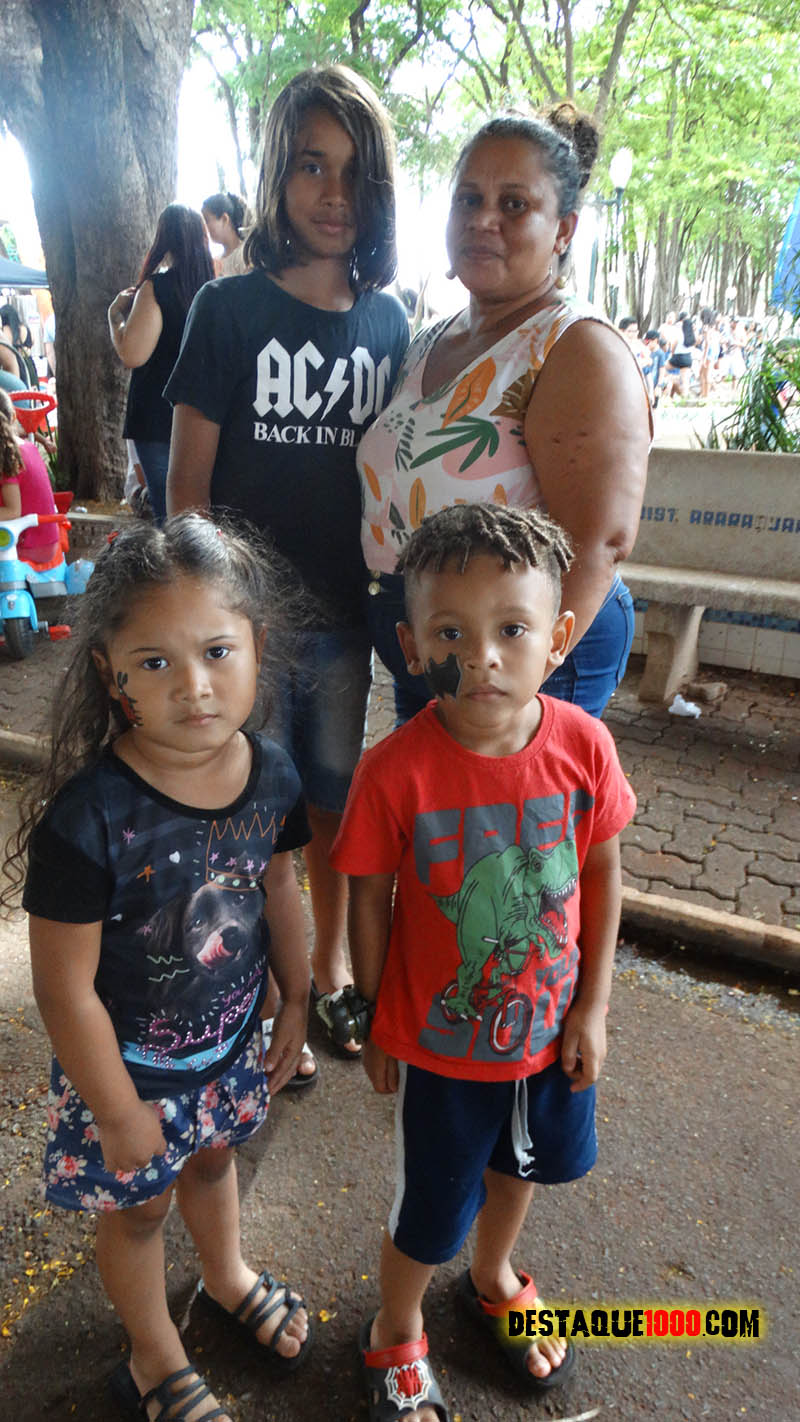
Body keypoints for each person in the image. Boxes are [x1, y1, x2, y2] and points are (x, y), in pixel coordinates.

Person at [1, 515, 313, 1420]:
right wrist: (115, 1110)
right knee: (139, 1212)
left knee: (215, 1166)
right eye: (154, 662)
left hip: (228, 1051)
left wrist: (298, 997)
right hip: (128, 1078)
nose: (195, 686)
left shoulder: (274, 775)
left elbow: (280, 888)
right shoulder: (88, 820)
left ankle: (226, 1274)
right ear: (110, 675)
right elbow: (63, 988)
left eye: (216, 651)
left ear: (257, 644)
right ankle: (151, 1354)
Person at [331, 504, 636, 1421]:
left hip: (548, 1036)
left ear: (559, 639)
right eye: (451, 634)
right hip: (441, 1050)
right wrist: (375, 1017)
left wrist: (593, 1008)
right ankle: (395, 1324)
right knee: (432, 1204)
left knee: (520, 1172)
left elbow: (600, 871)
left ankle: (494, 1275)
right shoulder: (393, 771)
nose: (484, 657)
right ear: (411, 647)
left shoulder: (585, 747)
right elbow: (367, 899)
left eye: (512, 629)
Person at [166, 65, 410, 1060]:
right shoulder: (224, 311)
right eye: (312, 165)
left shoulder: (389, 322)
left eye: (354, 172)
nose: (333, 193)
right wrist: (214, 624)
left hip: (345, 625)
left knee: (333, 807)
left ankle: (333, 975)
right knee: (252, 812)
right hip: (246, 629)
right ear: (277, 174)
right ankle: (270, 990)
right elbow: (184, 491)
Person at [356, 105, 651, 725]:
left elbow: (599, 543)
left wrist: (514, 682)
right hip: (435, 643)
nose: (483, 219)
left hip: (513, 662)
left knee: (503, 795)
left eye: (514, 204)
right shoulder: (430, 339)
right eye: (469, 199)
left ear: (563, 230)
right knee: (430, 791)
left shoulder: (574, 347)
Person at [108, 204, 214, 524]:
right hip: (206, 415)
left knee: (169, 518)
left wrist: (115, 317)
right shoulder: (215, 290)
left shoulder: (158, 288)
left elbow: (132, 353)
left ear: (164, 240)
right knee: (203, 518)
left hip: (156, 416)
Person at [0, 388, 59, 562]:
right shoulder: (26, 446)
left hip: (27, 544)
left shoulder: (7, 456)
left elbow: (13, 511)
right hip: (45, 541)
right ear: (13, 417)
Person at [202, 191, 250, 277]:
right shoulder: (216, 260)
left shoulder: (246, 256)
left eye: (207, 220)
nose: (204, 227)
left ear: (224, 219)